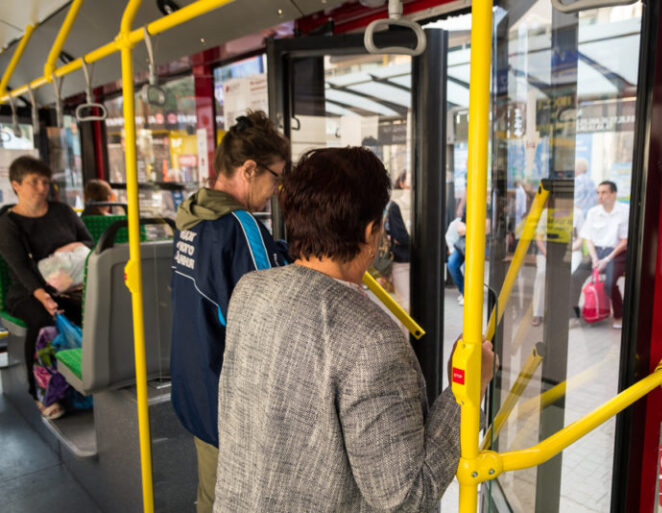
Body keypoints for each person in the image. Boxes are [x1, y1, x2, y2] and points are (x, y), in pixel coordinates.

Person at [214, 147, 496, 513]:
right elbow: (407, 497)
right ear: (370, 232)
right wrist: (464, 395)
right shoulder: (372, 340)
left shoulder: (250, 291)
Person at [169, 110, 290, 513]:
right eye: (276, 177)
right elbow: (271, 308)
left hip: (194, 383)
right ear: (250, 169)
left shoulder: (191, 219)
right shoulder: (240, 225)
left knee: (211, 496)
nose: (276, 189)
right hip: (230, 398)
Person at [0, 156, 93, 419]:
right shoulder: (8, 224)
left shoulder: (62, 212)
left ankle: (88, 379)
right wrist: (44, 297)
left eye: (45, 181)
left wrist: (65, 252)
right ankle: (42, 393)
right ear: (16, 185)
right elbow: (20, 268)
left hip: (72, 286)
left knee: (97, 313)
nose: (42, 188)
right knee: (44, 321)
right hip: (27, 292)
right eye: (34, 182)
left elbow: (86, 241)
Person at [569, 180, 628, 329]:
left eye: (604, 193)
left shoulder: (624, 211)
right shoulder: (593, 212)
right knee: (575, 278)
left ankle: (619, 316)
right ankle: (573, 316)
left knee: (610, 283)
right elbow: (588, 238)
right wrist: (595, 257)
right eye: (598, 193)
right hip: (595, 251)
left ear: (614, 194)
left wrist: (606, 259)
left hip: (616, 252)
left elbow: (624, 241)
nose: (600, 196)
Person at [388, 173, 411, 313]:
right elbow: (399, 237)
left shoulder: (426, 204)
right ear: (402, 184)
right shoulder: (396, 205)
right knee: (406, 306)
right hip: (402, 262)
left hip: (420, 262)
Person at [446, 203, 466, 305]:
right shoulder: (468, 206)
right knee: (452, 264)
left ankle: (467, 294)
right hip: (463, 243)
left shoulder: (487, 206)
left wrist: (466, 229)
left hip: (477, 244)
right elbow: (460, 229)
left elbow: (487, 227)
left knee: (468, 268)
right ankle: (464, 292)